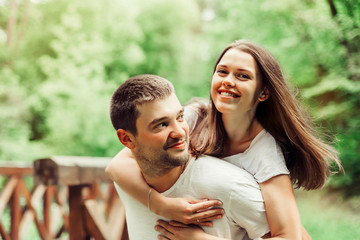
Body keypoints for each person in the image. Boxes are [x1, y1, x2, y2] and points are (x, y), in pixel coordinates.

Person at [106, 40, 342, 239]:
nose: (229, 80)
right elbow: (117, 164)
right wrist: (159, 204)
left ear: (263, 93)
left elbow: (290, 236)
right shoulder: (194, 117)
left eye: (243, 76)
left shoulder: (264, 152)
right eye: (222, 71)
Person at [108, 74, 270, 239]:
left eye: (180, 117)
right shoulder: (128, 183)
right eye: (161, 124)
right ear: (127, 139)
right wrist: (158, 204)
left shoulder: (230, 187)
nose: (180, 132)